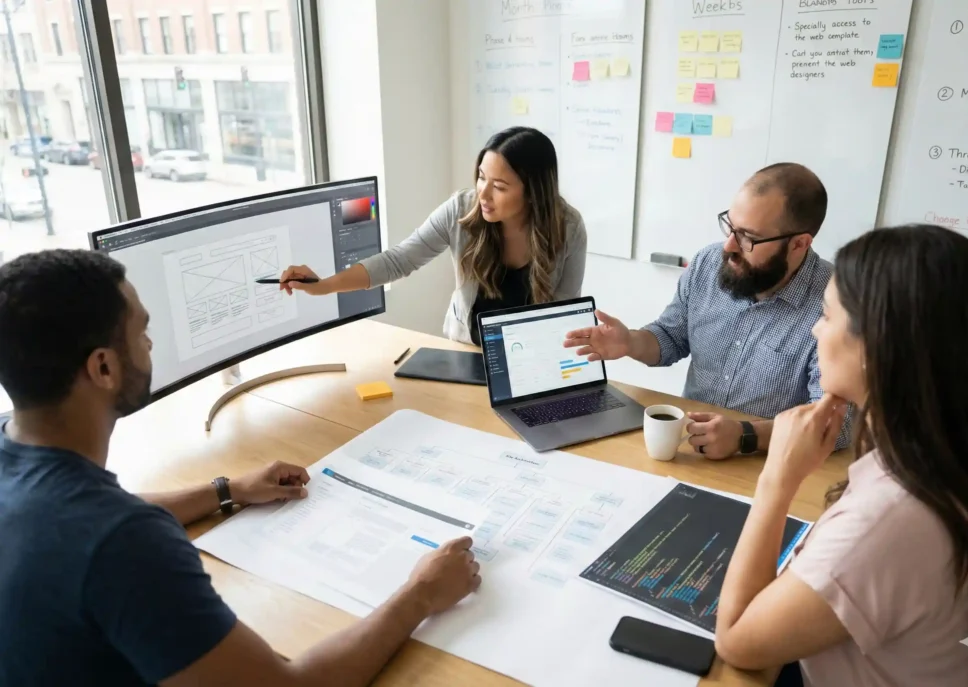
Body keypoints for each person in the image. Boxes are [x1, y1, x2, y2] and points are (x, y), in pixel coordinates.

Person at [0, 250, 481, 687]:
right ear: (103, 368)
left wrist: (227, 490)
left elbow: (87, 518)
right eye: (141, 333)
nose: (149, 344)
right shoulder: (125, 544)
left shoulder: (23, 459)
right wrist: (420, 594)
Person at [713, 225, 968, 686]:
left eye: (826, 315)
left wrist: (776, 482)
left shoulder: (893, 515)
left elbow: (737, 641)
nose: (817, 329)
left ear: (876, 346)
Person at [564, 163, 851, 459]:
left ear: (799, 244)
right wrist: (630, 343)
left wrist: (745, 435)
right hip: (689, 448)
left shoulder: (837, 305)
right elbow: (670, 337)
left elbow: (834, 425)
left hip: (772, 463)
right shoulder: (708, 263)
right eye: (730, 226)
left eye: (748, 238)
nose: (729, 246)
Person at [279, 126, 587, 345]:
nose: (484, 193)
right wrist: (324, 285)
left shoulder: (568, 229)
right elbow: (398, 260)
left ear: (533, 192)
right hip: (466, 350)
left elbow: (563, 316)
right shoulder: (461, 210)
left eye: (500, 186)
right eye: (481, 177)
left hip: (526, 359)